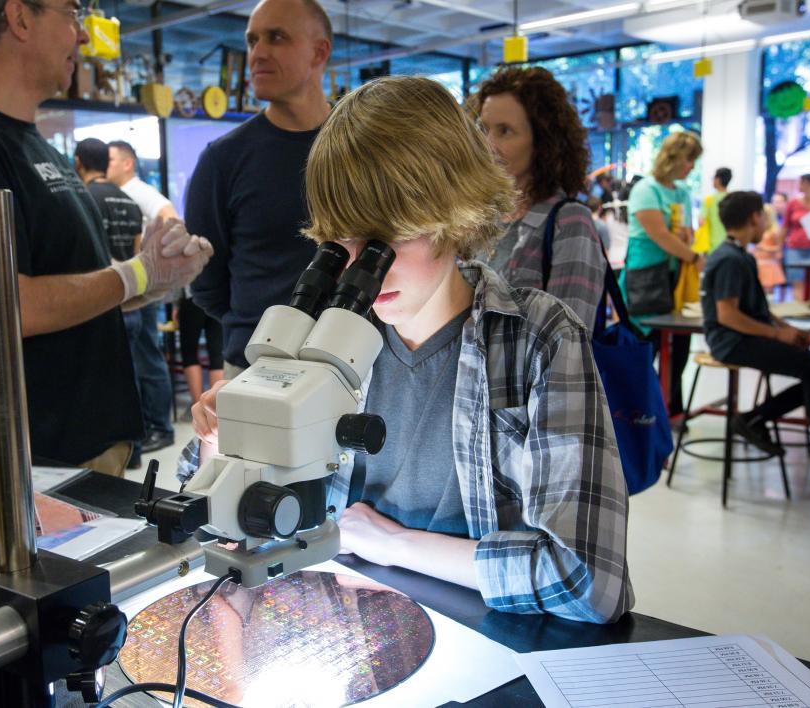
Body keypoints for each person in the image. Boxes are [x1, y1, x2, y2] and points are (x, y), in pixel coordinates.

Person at [181, 77, 634, 623]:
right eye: (341, 243)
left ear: (454, 214)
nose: (359, 267)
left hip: (486, 636)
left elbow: (588, 581)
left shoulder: (537, 338)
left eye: (384, 239)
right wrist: (223, 440)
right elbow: (206, 521)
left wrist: (393, 544)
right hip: (342, 624)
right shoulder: (319, 335)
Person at [0, 0, 211, 474]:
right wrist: (139, 272)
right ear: (20, 18)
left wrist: (162, 277)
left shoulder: (41, 148)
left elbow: (79, 289)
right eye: (72, 13)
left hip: (90, 439)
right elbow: (11, 305)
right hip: (36, 454)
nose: (84, 36)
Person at [186, 0, 332, 378]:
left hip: (356, 363)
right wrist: (258, 326)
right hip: (256, 367)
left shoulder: (363, 147)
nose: (258, 53)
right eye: (252, 40)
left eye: (277, 38)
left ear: (320, 51)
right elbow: (206, 281)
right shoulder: (224, 159)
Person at [701, 191, 810, 481]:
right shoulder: (730, 259)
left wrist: (787, 330)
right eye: (765, 216)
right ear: (755, 217)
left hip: (746, 337)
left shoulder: (739, 255)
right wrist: (777, 336)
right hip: (732, 343)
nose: (768, 223)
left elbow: (758, 310)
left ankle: (755, 419)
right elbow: (727, 315)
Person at [475, 66, 606, 331]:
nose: (487, 144)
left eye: (505, 131)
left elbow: (568, 347)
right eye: (483, 129)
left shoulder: (569, 222)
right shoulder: (477, 219)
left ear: (543, 143)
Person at [74, 138, 175, 462]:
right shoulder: (127, 201)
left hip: (108, 296)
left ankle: (137, 442)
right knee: (143, 362)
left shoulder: (87, 199)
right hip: (135, 291)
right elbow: (135, 251)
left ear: (79, 163)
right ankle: (140, 441)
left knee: (124, 370)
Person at [623, 131, 704, 415]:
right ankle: (640, 413)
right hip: (646, 278)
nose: (691, 166)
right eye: (689, 159)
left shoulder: (682, 191)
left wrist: (687, 242)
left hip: (676, 278)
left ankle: (670, 410)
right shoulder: (646, 190)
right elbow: (660, 236)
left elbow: (685, 234)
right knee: (645, 348)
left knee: (680, 348)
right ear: (674, 157)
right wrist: (693, 255)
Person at [106, 140, 179, 222]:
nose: (103, 164)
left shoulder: (140, 191)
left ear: (127, 164)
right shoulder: (116, 191)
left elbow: (172, 219)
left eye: (109, 160)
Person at [177, 294, 224, 416]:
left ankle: (198, 411)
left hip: (191, 297)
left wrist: (176, 305)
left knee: (189, 354)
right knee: (217, 356)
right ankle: (215, 410)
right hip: (219, 299)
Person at [753, 203, 786, 294]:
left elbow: (779, 250)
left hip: (769, 264)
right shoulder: (757, 229)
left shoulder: (774, 231)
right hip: (757, 263)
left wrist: (764, 248)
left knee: (768, 291)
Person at [698, 166, 731, 253]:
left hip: (712, 246)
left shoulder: (709, 200)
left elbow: (701, 222)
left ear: (717, 180)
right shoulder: (733, 198)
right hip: (729, 245)